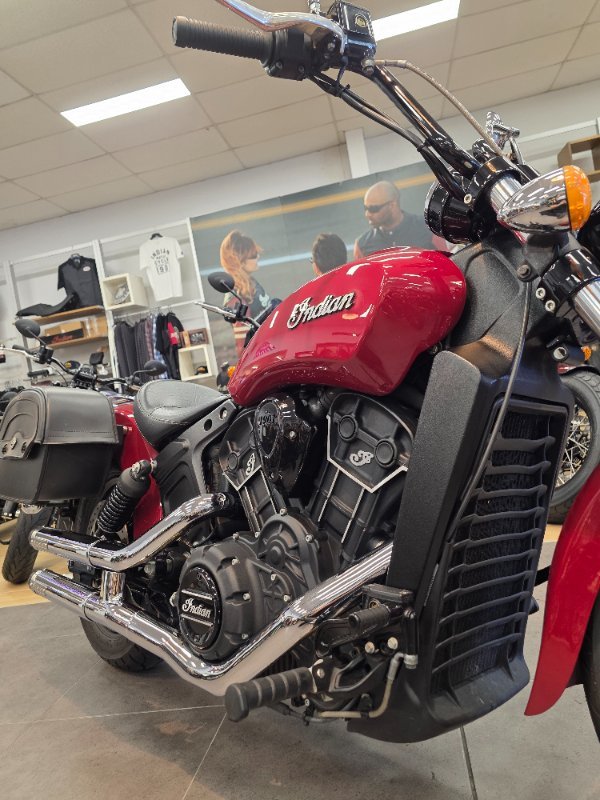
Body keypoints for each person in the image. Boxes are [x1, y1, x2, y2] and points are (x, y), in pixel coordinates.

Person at [219, 230, 271, 358]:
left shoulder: (250, 285)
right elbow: (244, 344)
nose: (258, 256)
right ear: (240, 261)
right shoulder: (236, 297)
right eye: (253, 255)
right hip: (260, 357)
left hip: (268, 349)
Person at [354, 180, 432, 258]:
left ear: (392, 205)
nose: (367, 214)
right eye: (365, 208)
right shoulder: (362, 245)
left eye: (373, 208)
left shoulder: (428, 228)